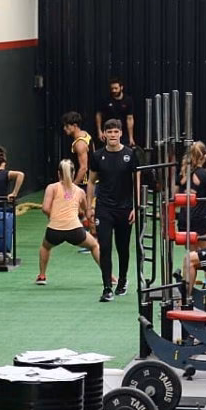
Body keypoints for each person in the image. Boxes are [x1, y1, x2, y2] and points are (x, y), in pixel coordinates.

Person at [86, 118, 140, 302]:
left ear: (121, 133)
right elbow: (91, 181)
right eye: (109, 132)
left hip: (125, 208)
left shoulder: (130, 154)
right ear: (104, 134)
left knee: (123, 247)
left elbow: (137, 181)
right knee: (105, 246)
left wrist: (136, 206)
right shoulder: (97, 156)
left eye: (116, 131)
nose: (113, 135)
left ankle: (122, 280)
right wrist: (89, 207)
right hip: (104, 208)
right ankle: (107, 287)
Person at [36, 159, 101, 284]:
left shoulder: (51, 188)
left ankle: (42, 276)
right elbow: (85, 210)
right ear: (73, 173)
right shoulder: (80, 191)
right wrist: (88, 219)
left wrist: (52, 217)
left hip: (54, 230)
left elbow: (45, 208)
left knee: (45, 247)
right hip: (75, 230)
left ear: (58, 173)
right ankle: (108, 276)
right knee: (94, 245)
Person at [177, 140, 206, 249]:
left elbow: (174, 196)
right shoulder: (205, 175)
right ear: (204, 156)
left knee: (192, 255)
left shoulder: (182, 174)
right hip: (200, 221)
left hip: (184, 221)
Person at [95, 77, 135, 147]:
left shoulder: (128, 100)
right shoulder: (106, 99)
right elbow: (98, 115)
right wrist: (99, 131)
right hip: (108, 131)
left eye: (116, 88)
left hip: (122, 133)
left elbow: (130, 119)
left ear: (121, 87)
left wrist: (131, 137)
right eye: (112, 88)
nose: (114, 90)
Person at [61, 111, 94, 185]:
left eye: (67, 126)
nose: (64, 128)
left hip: (83, 184)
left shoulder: (80, 144)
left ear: (75, 126)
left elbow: (83, 168)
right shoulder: (85, 134)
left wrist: (73, 186)